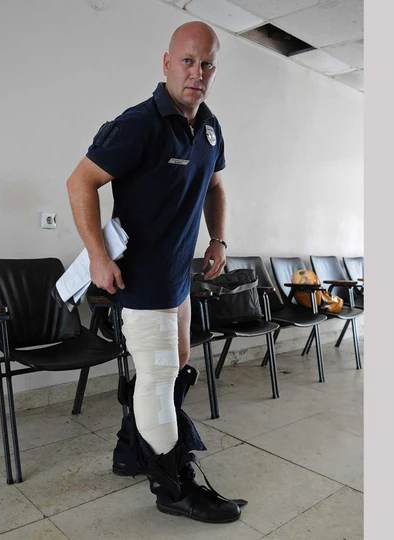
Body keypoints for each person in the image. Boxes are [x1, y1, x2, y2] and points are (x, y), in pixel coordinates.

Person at [66, 21, 245, 523]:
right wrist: (97, 255)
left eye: (207, 64)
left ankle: (131, 452)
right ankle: (174, 488)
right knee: (159, 374)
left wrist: (218, 238)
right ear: (167, 63)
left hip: (177, 275)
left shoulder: (209, 126)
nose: (197, 73)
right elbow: (80, 182)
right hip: (141, 278)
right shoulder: (138, 124)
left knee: (177, 363)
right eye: (187, 61)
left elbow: (215, 187)